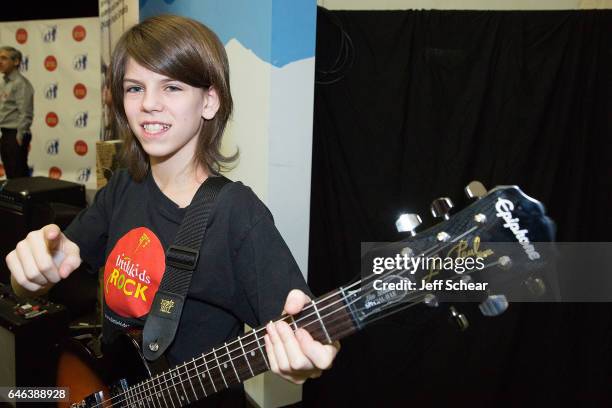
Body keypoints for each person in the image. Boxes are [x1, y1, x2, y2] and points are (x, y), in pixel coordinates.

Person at [5, 15, 339, 406]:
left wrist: (307, 356)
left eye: (172, 86)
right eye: (134, 87)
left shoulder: (237, 214)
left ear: (209, 101)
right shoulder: (125, 185)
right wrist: (30, 277)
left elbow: (309, 332)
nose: (148, 104)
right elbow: (49, 273)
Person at [0, 46, 33, 178]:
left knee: (18, 176)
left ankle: (22, 199)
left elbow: (25, 112)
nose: (0, 62)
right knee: (11, 175)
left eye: (4, 58)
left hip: (15, 135)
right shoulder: (4, 83)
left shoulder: (21, 83)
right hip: (6, 134)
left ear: (16, 62)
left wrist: (19, 137)